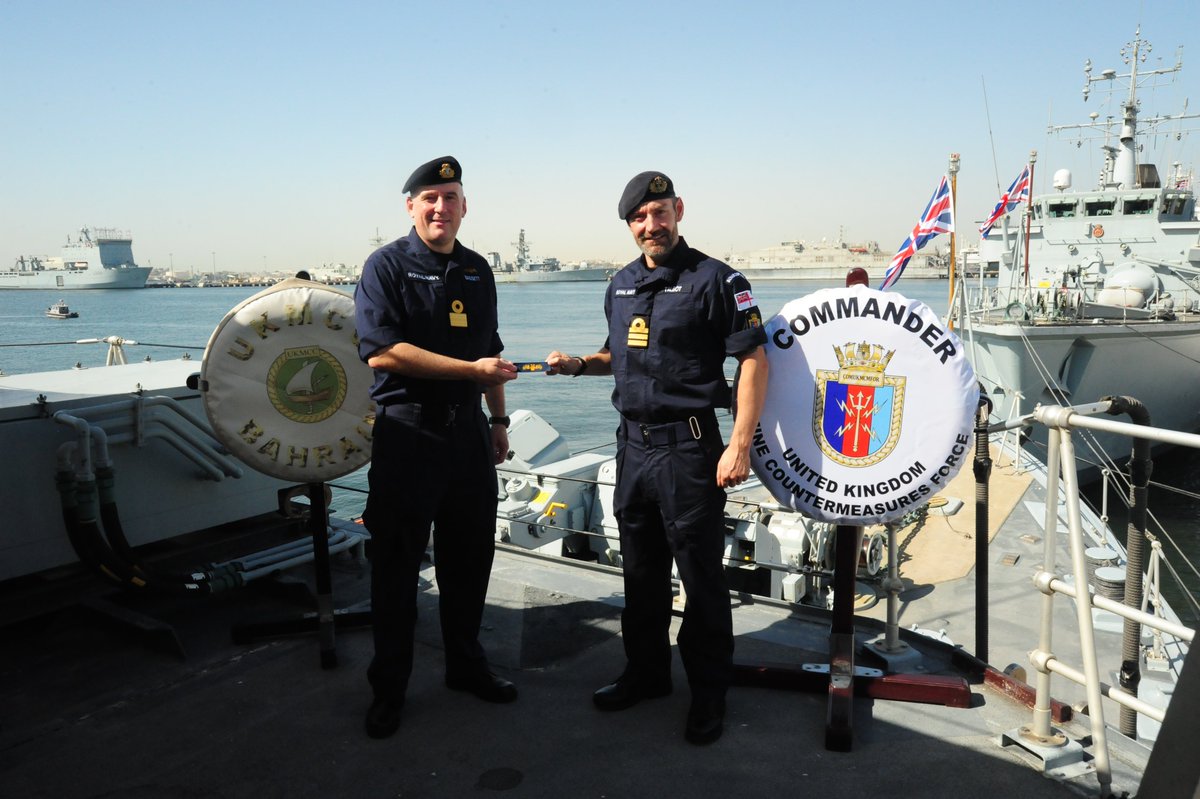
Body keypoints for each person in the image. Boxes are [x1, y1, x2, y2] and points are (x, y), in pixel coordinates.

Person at [545, 171, 768, 745]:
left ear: (679, 211)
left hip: (691, 451)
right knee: (640, 575)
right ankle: (645, 675)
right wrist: (578, 365)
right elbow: (614, 356)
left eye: (660, 213)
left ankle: (709, 694)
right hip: (633, 449)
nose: (651, 226)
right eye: (639, 218)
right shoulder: (619, 284)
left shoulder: (718, 280)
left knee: (701, 579)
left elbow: (753, 361)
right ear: (629, 225)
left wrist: (739, 443)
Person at [354, 155, 519, 740]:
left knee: (469, 561)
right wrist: (469, 368)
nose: (440, 208)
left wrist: (498, 422)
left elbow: (492, 350)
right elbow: (383, 351)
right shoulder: (386, 267)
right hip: (409, 433)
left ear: (464, 206)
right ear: (410, 207)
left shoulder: (477, 271)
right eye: (429, 198)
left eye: (450, 197)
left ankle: (465, 667)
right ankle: (389, 690)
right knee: (396, 568)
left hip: (468, 434)